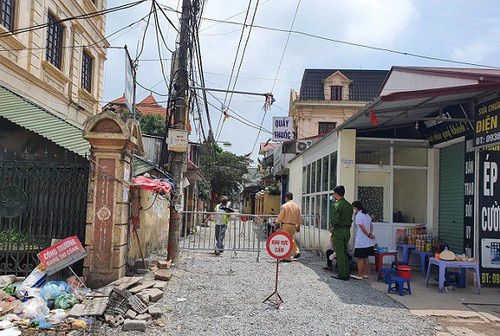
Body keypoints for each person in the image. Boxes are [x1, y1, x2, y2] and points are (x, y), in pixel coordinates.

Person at [330, 185, 354, 280]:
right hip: (347, 231)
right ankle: (346, 273)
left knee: (340, 254)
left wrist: (332, 225)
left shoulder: (336, 205)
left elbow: (335, 221)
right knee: (344, 252)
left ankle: (342, 274)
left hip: (339, 231)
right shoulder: (349, 205)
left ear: (336, 194)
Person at [351, 201, 375, 280]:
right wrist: (370, 234)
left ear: (356, 208)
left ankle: (359, 274)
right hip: (368, 241)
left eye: (353, 208)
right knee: (366, 257)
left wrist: (368, 234)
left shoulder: (359, 215)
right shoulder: (367, 215)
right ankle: (365, 273)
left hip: (362, 240)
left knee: (360, 258)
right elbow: (371, 225)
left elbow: (362, 227)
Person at [275, 192, 301, 262]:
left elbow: (281, 216)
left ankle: (287, 257)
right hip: (293, 226)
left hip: (286, 225)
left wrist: (277, 223)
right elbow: (299, 218)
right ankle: (296, 252)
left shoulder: (285, 206)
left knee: (286, 241)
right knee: (290, 239)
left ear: (286, 197)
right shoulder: (297, 207)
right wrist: (298, 226)